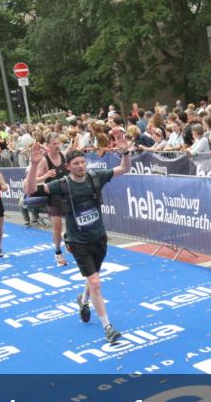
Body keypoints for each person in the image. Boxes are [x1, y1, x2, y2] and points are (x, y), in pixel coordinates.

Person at [24, 138, 132, 342]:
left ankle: (83, 301)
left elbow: (123, 169)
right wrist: (34, 164)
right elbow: (30, 190)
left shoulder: (95, 177)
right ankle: (108, 328)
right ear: (68, 167)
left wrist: (125, 153)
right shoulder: (61, 185)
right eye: (76, 164)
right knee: (95, 282)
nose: (81, 166)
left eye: (83, 162)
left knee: (93, 279)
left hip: (99, 237)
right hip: (77, 241)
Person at [35, 134, 70, 266]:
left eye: (58, 143)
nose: (57, 146)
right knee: (57, 226)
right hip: (53, 197)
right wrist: (47, 175)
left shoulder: (63, 156)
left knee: (73, 222)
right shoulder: (44, 161)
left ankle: (68, 238)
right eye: (54, 144)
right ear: (48, 146)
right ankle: (58, 251)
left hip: (66, 195)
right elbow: (35, 179)